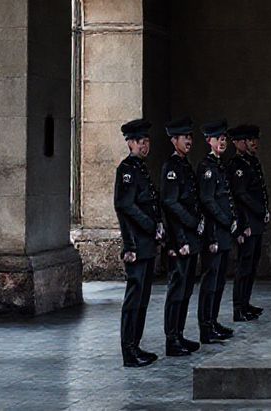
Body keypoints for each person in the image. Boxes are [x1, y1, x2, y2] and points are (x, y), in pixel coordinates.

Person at [113, 118, 162, 367]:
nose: (145, 146)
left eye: (147, 141)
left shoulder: (141, 169)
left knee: (142, 299)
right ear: (130, 143)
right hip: (136, 244)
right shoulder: (127, 170)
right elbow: (124, 207)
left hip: (147, 244)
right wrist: (133, 243)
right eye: (140, 142)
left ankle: (136, 345)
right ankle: (128, 351)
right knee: (133, 301)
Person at [160, 116, 202, 357]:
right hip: (180, 239)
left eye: (190, 137)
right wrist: (182, 238)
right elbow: (171, 204)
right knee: (176, 291)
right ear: (173, 140)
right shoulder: (172, 168)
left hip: (190, 238)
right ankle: (171, 339)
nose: (189, 141)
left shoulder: (185, 165)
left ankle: (179, 334)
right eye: (184, 137)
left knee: (186, 290)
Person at [196, 119, 236, 343]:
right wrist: (225, 220)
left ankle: (213, 321)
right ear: (208, 141)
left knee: (219, 281)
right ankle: (205, 326)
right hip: (213, 233)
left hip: (223, 233)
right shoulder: (207, 167)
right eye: (218, 139)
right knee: (210, 282)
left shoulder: (219, 165)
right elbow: (207, 201)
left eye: (224, 138)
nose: (222, 142)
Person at [228, 124, 269, 322]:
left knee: (252, 265)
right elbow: (240, 195)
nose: (254, 143)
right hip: (247, 221)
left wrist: (265, 210)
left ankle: (245, 303)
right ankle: (238, 307)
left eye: (255, 139)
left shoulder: (252, 162)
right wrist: (257, 212)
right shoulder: (237, 165)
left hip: (256, 221)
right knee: (244, 266)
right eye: (249, 140)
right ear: (238, 143)